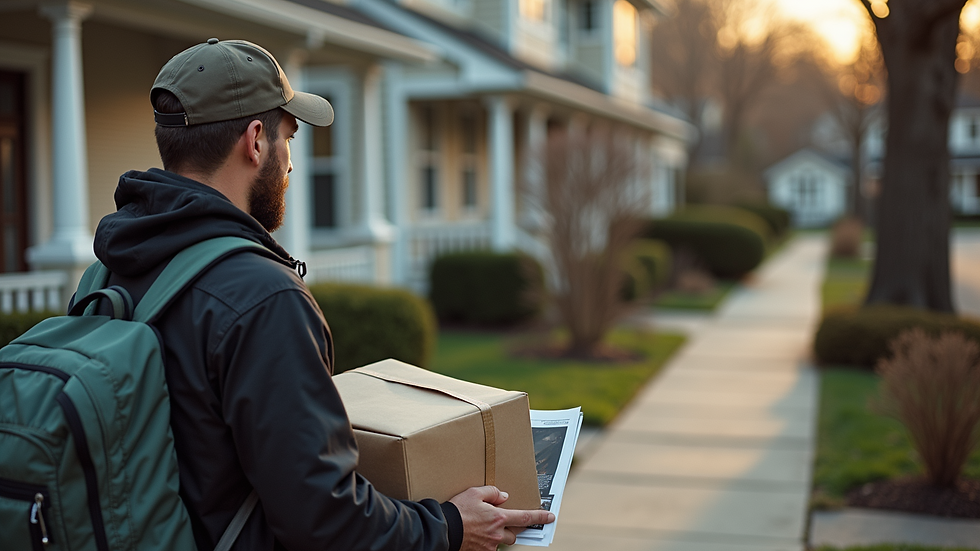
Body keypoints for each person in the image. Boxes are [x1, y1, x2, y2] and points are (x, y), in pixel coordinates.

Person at [92, 38, 554, 551]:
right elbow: (323, 518)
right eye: (288, 137)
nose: (290, 164)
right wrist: (448, 525)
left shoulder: (111, 274)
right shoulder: (261, 297)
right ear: (255, 142)